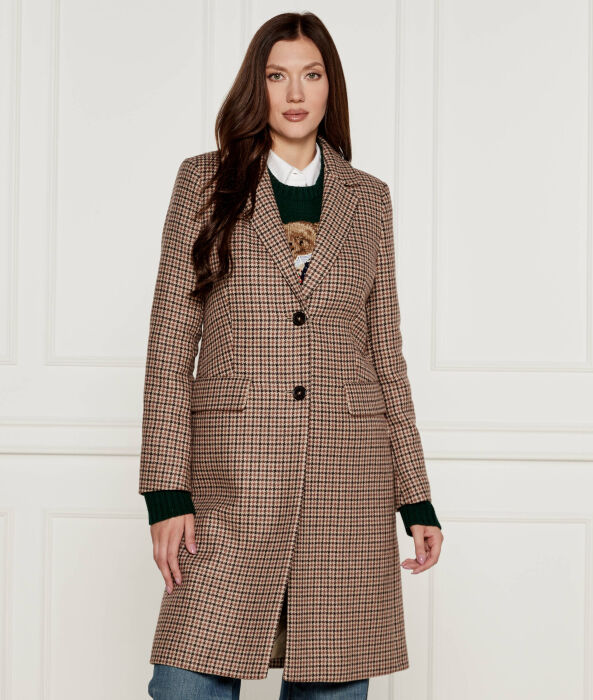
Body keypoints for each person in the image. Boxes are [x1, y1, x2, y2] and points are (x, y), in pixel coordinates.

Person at [139, 11, 444, 700]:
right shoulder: (204, 182)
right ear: (259, 86)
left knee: (330, 682)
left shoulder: (369, 200)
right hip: (232, 484)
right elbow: (169, 345)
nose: (296, 93)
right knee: (186, 684)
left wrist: (416, 498)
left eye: (311, 75)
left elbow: (385, 353)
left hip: (347, 485)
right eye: (278, 76)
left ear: (331, 86)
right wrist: (165, 493)